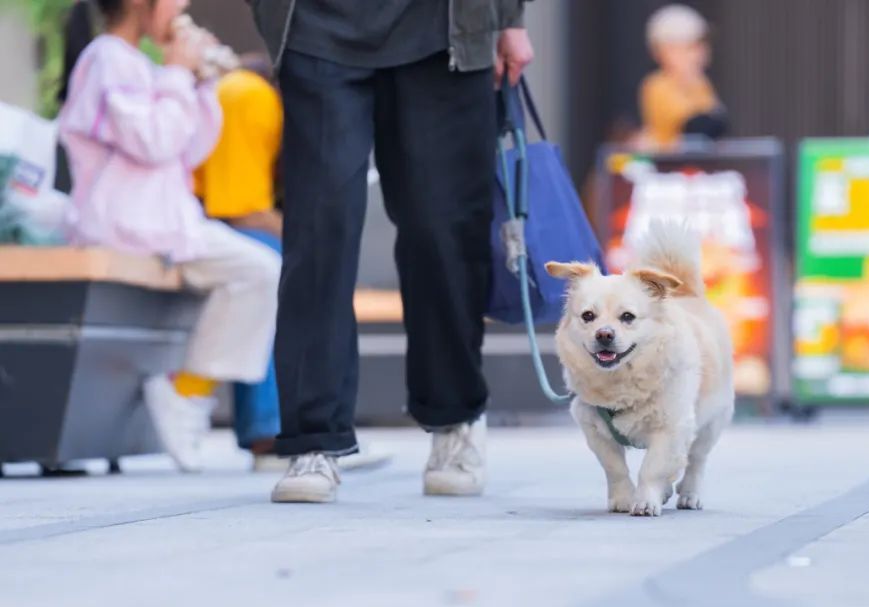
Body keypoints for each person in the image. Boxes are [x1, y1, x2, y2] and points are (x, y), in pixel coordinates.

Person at [246, 0, 534, 503]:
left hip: (444, 31)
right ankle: (314, 439)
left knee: (441, 231)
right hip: (316, 28)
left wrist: (508, 17)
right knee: (319, 231)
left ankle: (454, 418)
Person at [58, 0, 281, 473]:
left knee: (261, 270)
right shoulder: (105, 60)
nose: (184, 10)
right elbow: (151, 141)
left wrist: (200, 84)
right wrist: (178, 75)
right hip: (124, 223)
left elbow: (190, 146)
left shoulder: (139, 63)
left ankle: (186, 391)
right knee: (258, 270)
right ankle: (184, 394)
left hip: (164, 223)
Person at [192, 56, 390, 473]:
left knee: (293, 260)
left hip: (197, 224)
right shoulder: (249, 95)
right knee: (283, 264)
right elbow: (237, 209)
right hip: (188, 226)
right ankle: (274, 432)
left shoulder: (259, 97)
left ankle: (288, 428)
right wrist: (316, 240)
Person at [639, 4, 728, 149]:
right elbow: (696, 126)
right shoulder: (659, 85)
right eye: (690, 48)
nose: (700, 54)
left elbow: (718, 125)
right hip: (667, 168)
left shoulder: (700, 84)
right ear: (664, 51)